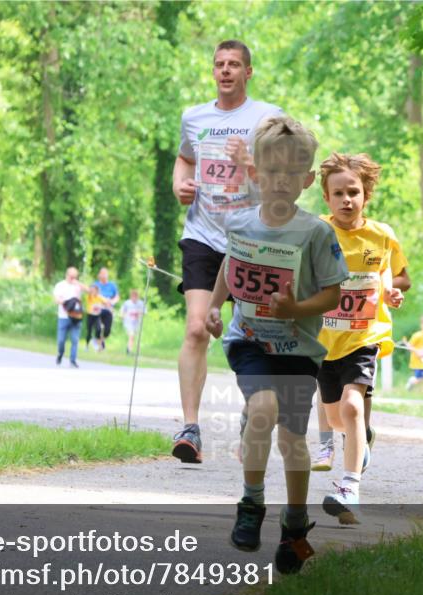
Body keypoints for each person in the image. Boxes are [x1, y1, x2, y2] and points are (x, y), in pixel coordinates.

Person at [205, 115, 347, 573]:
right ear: (255, 174)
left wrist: (296, 308)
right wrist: (214, 305)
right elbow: (230, 264)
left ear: (307, 178)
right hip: (249, 341)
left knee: (292, 439)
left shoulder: (316, 233)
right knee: (263, 409)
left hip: (298, 349)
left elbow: (333, 293)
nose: (281, 180)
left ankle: (295, 524)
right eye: (272, 171)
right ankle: (251, 503)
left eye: (291, 172)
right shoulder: (241, 223)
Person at [170, 39, 285, 463]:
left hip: (253, 238)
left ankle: (251, 419)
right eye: (219, 64)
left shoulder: (268, 117)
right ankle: (190, 428)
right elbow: (184, 158)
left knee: (253, 336)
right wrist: (179, 185)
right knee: (196, 328)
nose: (225, 70)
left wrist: (250, 163)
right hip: (203, 235)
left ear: (248, 72)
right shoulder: (193, 117)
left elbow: (284, 179)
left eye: (234, 64)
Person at [309, 152, 409, 524]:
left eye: (353, 192)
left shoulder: (381, 235)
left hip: (364, 335)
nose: (346, 200)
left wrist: (392, 291)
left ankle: (349, 488)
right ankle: (360, 438)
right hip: (324, 339)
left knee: (352, 406)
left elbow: (398, 275)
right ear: (326, 197)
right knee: (337, 418)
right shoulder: (314, 232)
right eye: (338, 193)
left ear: (365, 195)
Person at [53, 266, 89, 368]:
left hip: (76, 317)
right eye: (71, 276)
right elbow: (56, 299)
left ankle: (72, 360)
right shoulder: (60, 285)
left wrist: (78, 283)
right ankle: (60, 354)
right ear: (67, 275)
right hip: (63, 316)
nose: (73, 278)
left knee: (75, 339)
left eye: (75, 276)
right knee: (61, 340)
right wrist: (66, 303)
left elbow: (89, 290)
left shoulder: (77, 285)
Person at [92, 267, 120, 348]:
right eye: (102, 273)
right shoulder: (95, 285)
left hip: (108, 309)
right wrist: (103, 301)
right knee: (98, 328)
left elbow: (117, 297)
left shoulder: (112, 285)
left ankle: (100, 341)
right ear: (99, 275)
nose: (104, 275)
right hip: (98, 309)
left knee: (107, 331)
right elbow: (92, 296)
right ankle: (98, 344)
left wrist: (112, 302)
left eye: (105, 273)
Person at [121, 289, 146, 354]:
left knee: (136, 337)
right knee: (131, 336)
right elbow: (122, 311)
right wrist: (123, 317)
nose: (134, 298)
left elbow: (144, 311)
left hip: (137, 323)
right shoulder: (127, 303)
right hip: (128, 322)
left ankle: (131, 348)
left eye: (136, 296)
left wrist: (139, 313)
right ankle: (129, 350)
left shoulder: (140, 303)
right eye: (133, 296)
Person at [83, 284, 107, 351]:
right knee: (89, 331)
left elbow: (106, 302)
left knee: (98, 329)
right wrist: (90, 290)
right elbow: (86, 289)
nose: (94, 292)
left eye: (95, 290)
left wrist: (102, 306)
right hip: (90, 315)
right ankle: (87, 345)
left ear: (97, 291)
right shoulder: (89, 296)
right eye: (92, 290)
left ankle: (97, 344)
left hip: (97, 316)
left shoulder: (99, 297)